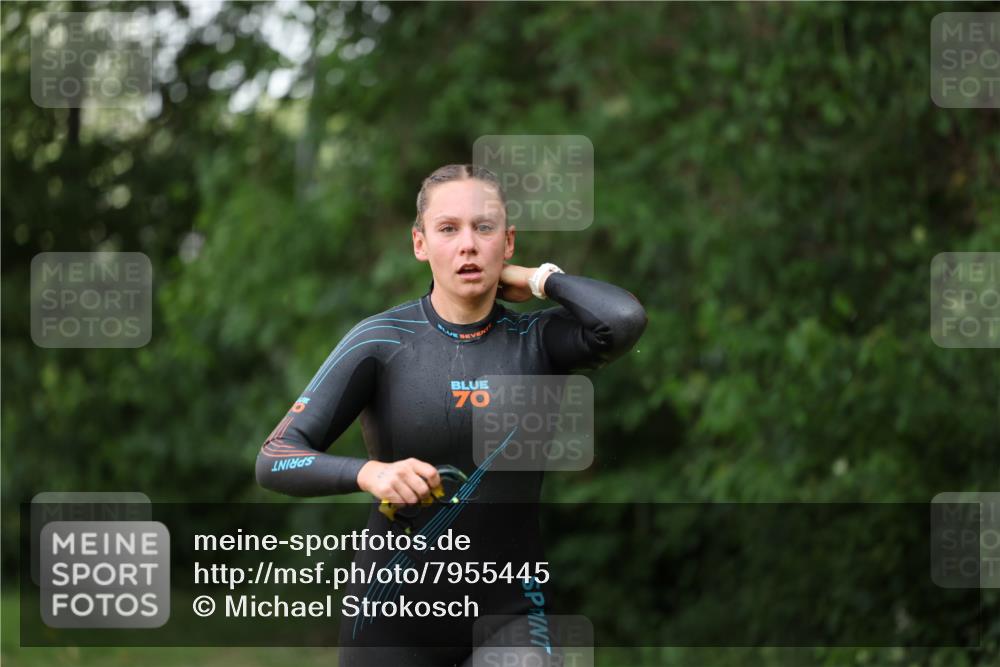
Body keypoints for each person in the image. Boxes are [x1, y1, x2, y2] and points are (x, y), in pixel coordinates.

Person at [256, 164, 647, 666]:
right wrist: (371, 473)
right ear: (419, 243)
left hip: (509, 615)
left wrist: (538, 278)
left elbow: (623, 320)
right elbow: (275, 458)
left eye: (483, 228)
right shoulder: (381, 341)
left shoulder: (538, 341)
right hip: (390, 618)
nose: (468, 244)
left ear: (507, 243)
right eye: (448, 228)